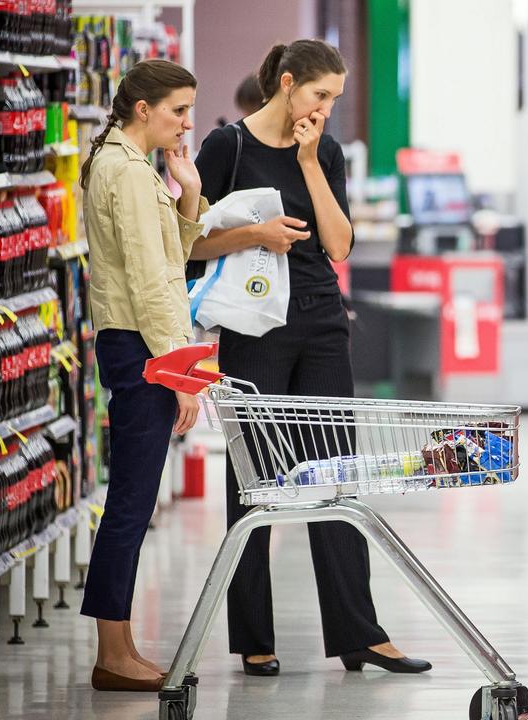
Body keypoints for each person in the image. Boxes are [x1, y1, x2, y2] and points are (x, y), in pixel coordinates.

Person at [191, 39, 431, 678]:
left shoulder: (325, 150)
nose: (327, 108)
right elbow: (190, 243)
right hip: (253, 323)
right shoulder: (227, 147)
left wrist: (310, 163)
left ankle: (360, 633)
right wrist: (256, 235)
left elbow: (340, 243)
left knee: (336, 476)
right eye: (321, 95)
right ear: (289, 82)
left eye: (334, 100)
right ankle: (254, 638)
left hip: (322, 317)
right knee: (255, 482)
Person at [78, 58, 206, 692]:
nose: (186, 123)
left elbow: (170, 259)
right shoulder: (124, 171)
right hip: (140, 346)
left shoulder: (133, 166)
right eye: (178, 110)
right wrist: (180, 367)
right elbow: (151, 281)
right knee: (131, 499)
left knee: (135, 497)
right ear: (142, 109)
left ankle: (119, 644)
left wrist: (188, 195)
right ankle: (111, 652)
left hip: (139, 342)